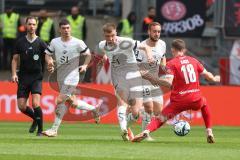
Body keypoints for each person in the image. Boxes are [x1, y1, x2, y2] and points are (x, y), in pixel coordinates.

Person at [132, 39, 220, 143]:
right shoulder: (194, 60)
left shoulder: (172, 64)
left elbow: (168, 82)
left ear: (172, 50)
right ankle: (209, 132)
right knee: (204, 104)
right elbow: (207, 76)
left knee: (161, 118)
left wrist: (151, 78)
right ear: (184, 50)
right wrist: (215, 79)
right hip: (195, 98)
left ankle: (146, 131)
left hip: (179, 100)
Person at [42, 19, 101, 137]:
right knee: (72, 103)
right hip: (60, 76)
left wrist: (84, 65)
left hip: (72, 76)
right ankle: (94, 109)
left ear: (71, 29)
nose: (66, 30)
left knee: (60, 100)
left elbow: (88, 55)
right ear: (59, 30)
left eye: (68, 28)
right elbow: (47, 54)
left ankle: (54, 129)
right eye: (63, 28)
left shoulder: (78, 42)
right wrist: (49, 62)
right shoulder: (54, 42)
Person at [96, 22, 154, 141]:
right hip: (118, 75)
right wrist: (104, 58)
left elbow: (145, 47)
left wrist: (149, 56)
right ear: (104, 35)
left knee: (135, 113)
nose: (110, 39)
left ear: (116, 33)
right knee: (121, 101)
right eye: (107, 36)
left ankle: (126, 127)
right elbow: (107, 52)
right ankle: (123, 128)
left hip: (133, 74)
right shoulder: (102, 45)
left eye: (112, 35)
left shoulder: (125, 42)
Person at [11, 16, 47, 136]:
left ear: (36, 26)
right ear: (26, 25)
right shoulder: (20, 42)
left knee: (36, 104)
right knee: (21, 106)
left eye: (33, 24)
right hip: (23, 77)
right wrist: (14, 73)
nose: (31, 26)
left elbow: (48, 56)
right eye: (29, 24)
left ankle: (40, 130)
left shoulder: (41, 42)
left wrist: (50, 62)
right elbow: (15, 59)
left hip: (36, 77)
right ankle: (35, 119)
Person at [135, 22, 166, 141]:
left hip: (155, 81)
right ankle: (145, 134)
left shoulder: (162, 44)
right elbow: (136, 66)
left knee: (158, 112)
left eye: (159, 31)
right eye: (154, 31)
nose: (157, 34)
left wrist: (164, 67)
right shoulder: (141, 46)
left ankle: (135, 112)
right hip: (143, 80)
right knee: (149, 108)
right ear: (149, 32)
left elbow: (163, 56)